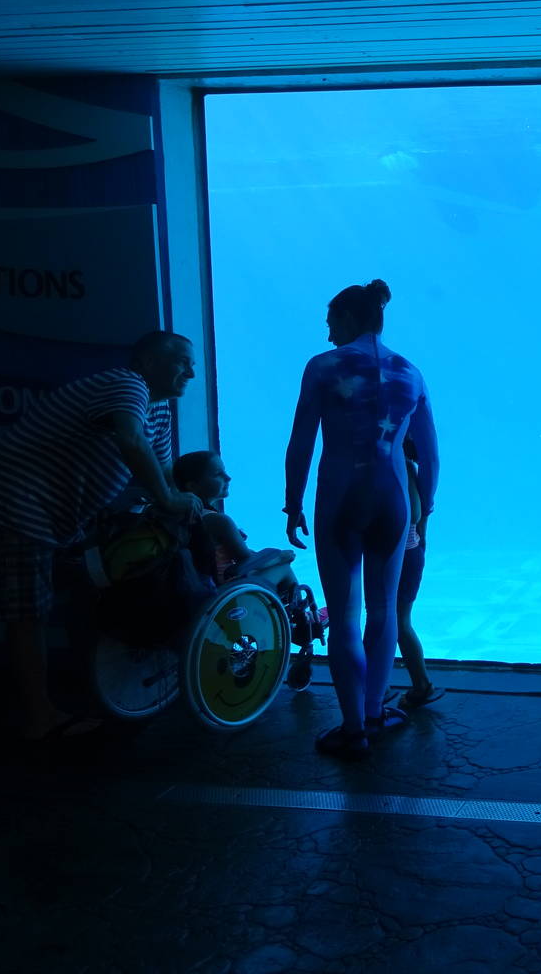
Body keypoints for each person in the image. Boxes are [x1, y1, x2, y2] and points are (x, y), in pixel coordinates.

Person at [0, 331, 204, 741]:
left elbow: (162, 474)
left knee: (57, 602)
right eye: (182, 361)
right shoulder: (126, 384)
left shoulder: (159, 412)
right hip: (16, 505)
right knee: (28, 614)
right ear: (147, 363)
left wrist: (192, 504)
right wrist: (169, 498)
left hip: (53, 519)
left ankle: (60, 699)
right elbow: (130, 440)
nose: (192, 372)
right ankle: (40, 718)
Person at [285, 280, 439, 759]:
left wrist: (292, 502)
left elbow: (302, 443)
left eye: (332, 321)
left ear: (348, 318)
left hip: (340, 500)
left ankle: (353, 729)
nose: (328, 332)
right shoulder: (410, 372)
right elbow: (430, 457)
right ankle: (375, 712)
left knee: (346, 618)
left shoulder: (323, 366)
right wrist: (425, 511)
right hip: (393, 505)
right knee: (384, 611)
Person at [173, 451, 297, 592]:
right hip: (223, 593)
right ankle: (307, 614)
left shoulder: (185, 516)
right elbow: (246, 559)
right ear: (192, 486)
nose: (228, 477)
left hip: (203, 590)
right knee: (283, 568)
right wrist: (280, 557)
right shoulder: (217, 521)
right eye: (217, 474)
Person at [392, 435, 445, 709]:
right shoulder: (408, 467)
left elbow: (411, 514)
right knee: (394, 621)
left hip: (403, 558)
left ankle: (421, 684)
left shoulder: (399, 465)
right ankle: (412, 683)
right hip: (411, 555)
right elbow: (419, 517)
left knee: (396, 622)